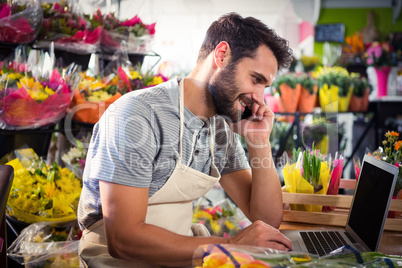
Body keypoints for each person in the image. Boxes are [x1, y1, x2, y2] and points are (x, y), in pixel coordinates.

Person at [77, 12, 293, 268]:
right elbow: (123, 240)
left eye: (265, 87)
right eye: (256, 80)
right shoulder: (137, 115)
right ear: (222, 55)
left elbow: (266, 220)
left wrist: (260, 143)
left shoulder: (221, 130)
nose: (259, 98)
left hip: (181, 258)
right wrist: (233, 244)